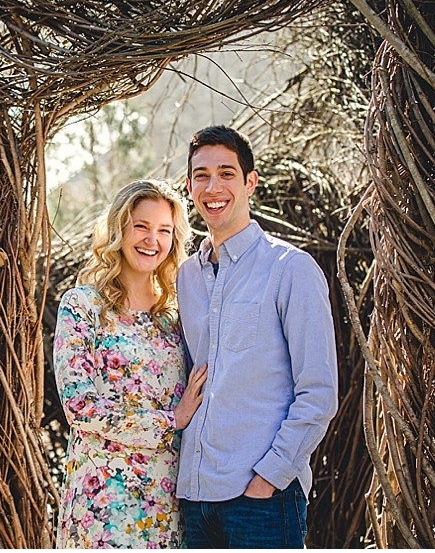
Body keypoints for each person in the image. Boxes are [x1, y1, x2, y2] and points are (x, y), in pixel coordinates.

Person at [176, 125, 339, 548]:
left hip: (261, 500)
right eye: (201, 175)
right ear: (190, 185)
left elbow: (318, 391)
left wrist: (269, 477)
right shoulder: (186, 277)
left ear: (251, 182)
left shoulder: (291, 269)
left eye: (227, 173)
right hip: (195, 499)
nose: (213, 187)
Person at [53, 179, 208, 548]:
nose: (152, 240)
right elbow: (79, 405)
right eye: (141, 226)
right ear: (119, 228)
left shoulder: (177, 315)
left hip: (168, 502)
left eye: (164, 231)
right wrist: (171, 421)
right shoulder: (82, 306)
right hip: (103, 505)